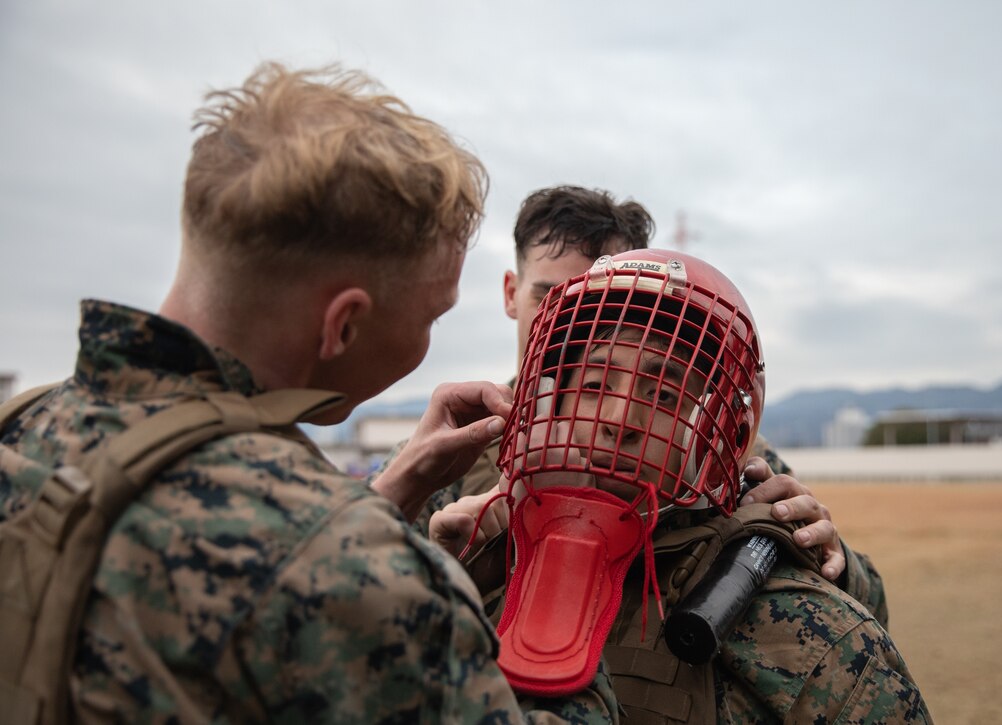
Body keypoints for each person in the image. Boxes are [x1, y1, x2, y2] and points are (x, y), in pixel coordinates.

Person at [0, 63, 618, 723]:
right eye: (431, 317)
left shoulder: (23, 426)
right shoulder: (355, 565)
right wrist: (568, 582)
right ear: (343, 324)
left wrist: (384, 496)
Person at [431, 249, 931, 723]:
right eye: (596, 383)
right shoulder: (486, 559)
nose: (619, 418)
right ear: (555, 399)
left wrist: (828, 564)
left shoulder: (813, 636)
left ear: (719, 428)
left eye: (663, 393)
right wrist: (445, 582)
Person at [407, 185, 886, 622]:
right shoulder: (456, 445)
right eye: (551, 294)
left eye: (615, 298)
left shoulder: (713, 449)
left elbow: (864, 606)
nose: (580, 314)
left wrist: (828, 558)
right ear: (512, 294)